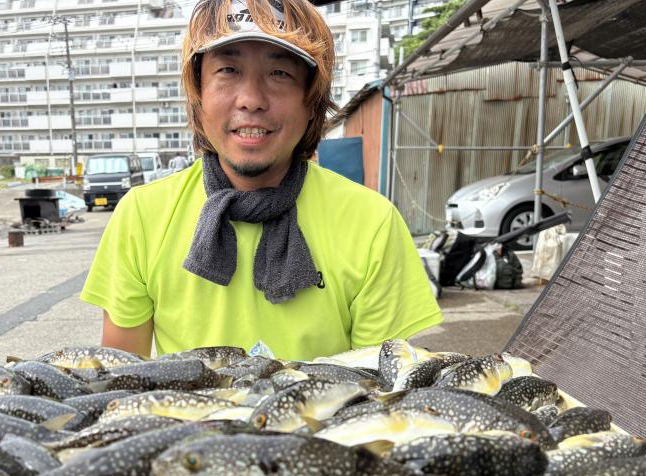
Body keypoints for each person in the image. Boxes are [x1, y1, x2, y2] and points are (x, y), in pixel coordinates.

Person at [80, 0, 442, 361]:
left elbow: (379, 392)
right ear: (198, 91)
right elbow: (122, 379)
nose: (251, 100)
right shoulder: (142, 216)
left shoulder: (372, 223)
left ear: (310, 99)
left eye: (280, 73)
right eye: (228, 69)